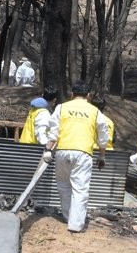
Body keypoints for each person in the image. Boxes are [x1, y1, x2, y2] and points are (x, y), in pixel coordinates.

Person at [44, 82, 110, 233]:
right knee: (80, 189)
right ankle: (75, 224)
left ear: (72, 95)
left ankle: (68, 216)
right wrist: (102, 156)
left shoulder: (62, 107)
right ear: (88, 96)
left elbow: (53, 131)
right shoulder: (95, 112)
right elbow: (103, 136)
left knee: (63, 185)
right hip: (83, 153)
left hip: (63, 151)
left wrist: (48, 149)